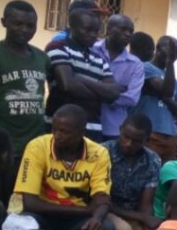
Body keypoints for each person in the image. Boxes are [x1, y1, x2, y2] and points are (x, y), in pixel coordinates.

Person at [8, 104, 116, 230]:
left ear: (81, 132)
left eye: (64, 132)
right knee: (23, 225)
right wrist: (86, 211)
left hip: (76, 221)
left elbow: (102, 197)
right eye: (54, 129)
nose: (57, 135)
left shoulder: (98, 153)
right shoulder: (38, 146)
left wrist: (97, 218)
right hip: (43, 214)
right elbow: (30, 202)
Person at [45, 8, 123, 140]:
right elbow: (67, 85)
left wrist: (80, 79)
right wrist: (99, 95)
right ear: (72, 27)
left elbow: (113, 94)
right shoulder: (58, 48)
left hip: (92, 130)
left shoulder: (99, 59)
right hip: (60, 129)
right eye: (87, 30)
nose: (93, 35)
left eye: (96, 31)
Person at [0, 0, 49, 167]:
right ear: (4, 22)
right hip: (2, 147)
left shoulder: (42, 58)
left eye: (30, 25)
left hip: (34, 147)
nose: (24, 30)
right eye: (18, 24)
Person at [102, 113, 161, 230]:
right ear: (120, 129)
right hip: (105, 210)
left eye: (136, 141)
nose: (128, 143)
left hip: (134, 215)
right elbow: (101, 200)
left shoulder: (153, 160)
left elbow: (146, 203)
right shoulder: (103, 152)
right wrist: (142, 217)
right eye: (126, 137)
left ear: (146, 140)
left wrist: (146, 223)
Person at [92, 14, 143, 140]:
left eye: (131, 31)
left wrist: (92, 90)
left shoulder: (135, 64)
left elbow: (131, 99)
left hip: (113, 129)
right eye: (123, 29)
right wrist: (113, 91)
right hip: (86, 121)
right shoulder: (91, 49)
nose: (128, 34)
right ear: (109, 29)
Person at [133, 35, 177, 162]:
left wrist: (167, 100)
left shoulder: (174, 81)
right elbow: (166, 90)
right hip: (150, 134)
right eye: (171, 51)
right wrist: (170, 63)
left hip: (170, 134)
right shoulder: (144, 68)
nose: (174, 55)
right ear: (158, 48)